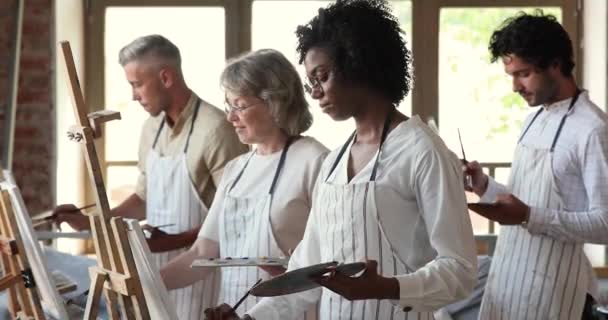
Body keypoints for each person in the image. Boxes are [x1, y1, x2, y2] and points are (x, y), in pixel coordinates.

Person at [205, 1, 477, 319]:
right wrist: (250, 318)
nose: (316, 92)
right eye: (311, 82)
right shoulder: (334, 161)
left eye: (322, 76)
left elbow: (460, 270)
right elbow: (307, 270)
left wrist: (388, 287)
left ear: (360, 64)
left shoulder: (422, 151)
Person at [52, 34, 248, 319]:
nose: (133, 95)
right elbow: (143, 199)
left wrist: (171, 240)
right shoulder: (150, 128)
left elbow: (233, 218)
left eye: (137, 84)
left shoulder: (216, 129)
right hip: (155, 273)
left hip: (202, 277)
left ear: (165, 77)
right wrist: (92, 222)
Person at [159, 48, 328, 319]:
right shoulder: (236, 169)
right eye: (229, 106)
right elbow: (203, 253)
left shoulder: (314, 160)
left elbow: (325, 262)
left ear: (275, 103)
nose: (230, 117)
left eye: (239, 105)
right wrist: (148, 282)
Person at [463, 11, 608, 320]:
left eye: (523, 73)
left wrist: (530, 216)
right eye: (511, 75)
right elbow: (523, 199)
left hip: (555, 292)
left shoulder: (593, 129)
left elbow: (606, 223)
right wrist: (484, 186)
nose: (515, 86)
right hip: (507, 282)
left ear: (555, 64)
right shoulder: (533, 120)